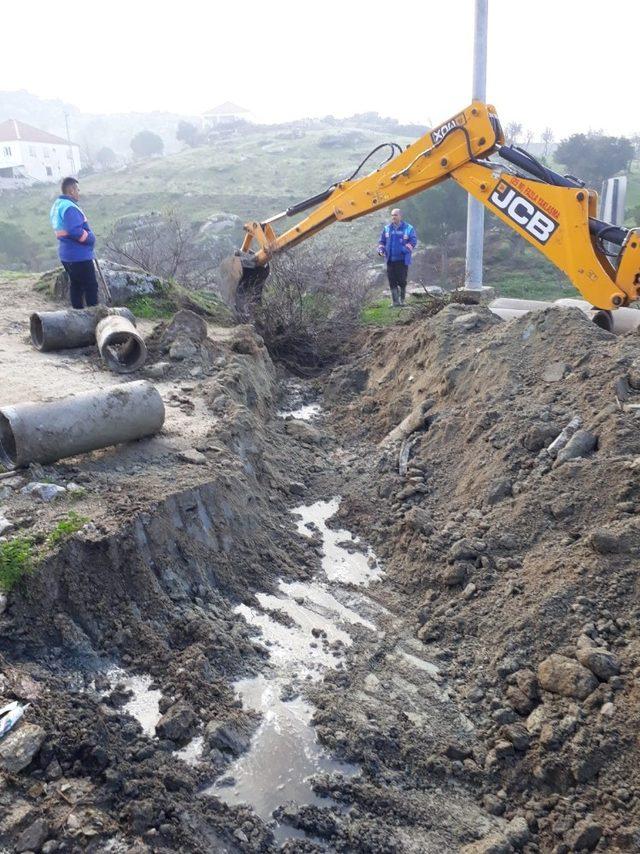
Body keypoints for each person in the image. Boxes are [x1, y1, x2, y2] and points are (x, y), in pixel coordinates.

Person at [50, 177, 98, 309]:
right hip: (78, 255)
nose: (79, 192)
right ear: (71, 191)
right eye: (77, 189)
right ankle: (93, 315)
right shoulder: (70, 207)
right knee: (91, 286)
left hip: (66, 254)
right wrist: (90, 238)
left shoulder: (57, 205)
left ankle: (77, 314)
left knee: (76, 285)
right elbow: (74, 230)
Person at [377, 208, 417, 307]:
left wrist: (404, 250)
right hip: (390, 260)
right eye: (392, 215)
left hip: (402, 260)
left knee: (402, 280)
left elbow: (413, 241)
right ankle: (395, 302)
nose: (393, 217)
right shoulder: (387, 228)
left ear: (400, 216)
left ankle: (402, 301)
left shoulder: (408, 228)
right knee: (392, 281)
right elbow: (382, 242)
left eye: (395, 215)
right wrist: (381, 250)